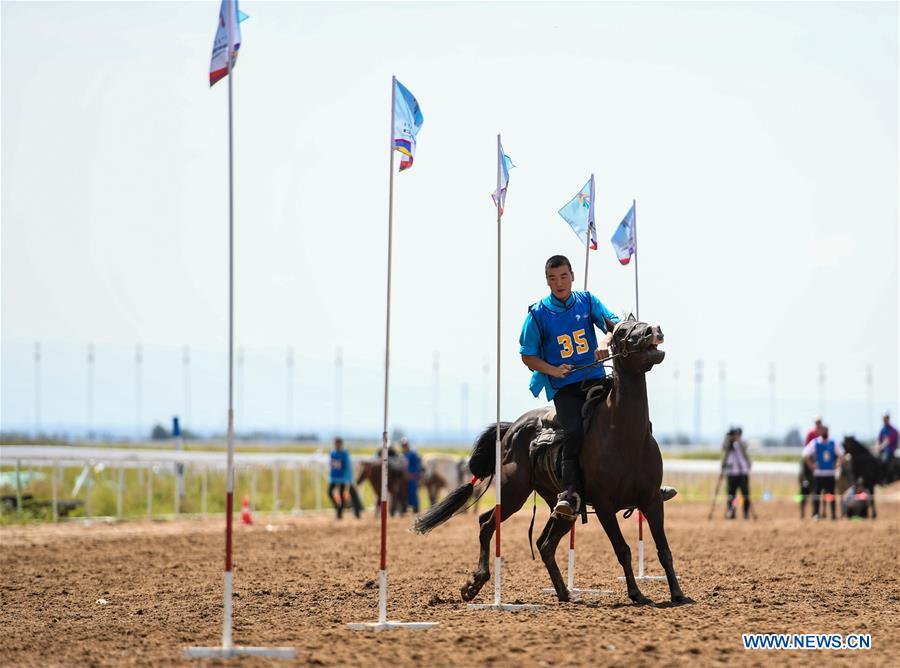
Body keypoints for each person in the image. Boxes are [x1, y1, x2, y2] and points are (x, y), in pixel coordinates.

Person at [519, 255, 619, 520]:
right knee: (574, 432)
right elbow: (527, 355)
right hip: (565, 388)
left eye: (563, 276)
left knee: (629, 412)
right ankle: (570, 493)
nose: (559, 283)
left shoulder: (588, 301)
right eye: (553, 278)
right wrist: (553, 370)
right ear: (547, 281)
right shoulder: (537, 314)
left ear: (572, 276)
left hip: (596, 378)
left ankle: (645, 478)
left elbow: (614, 324)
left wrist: (605, 342)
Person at [802, 426, 845, 520]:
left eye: (826, 430)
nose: (824, 432)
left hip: (830, 473)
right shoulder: (815, 442)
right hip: (819, 474)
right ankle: (816, 514)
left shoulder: (833, 442)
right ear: (820, 431)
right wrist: (811, 465)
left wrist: (837, 464)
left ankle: (833, 514)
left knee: (831, 494)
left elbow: (842, 454)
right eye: (823, 430)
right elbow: (805, 454)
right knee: (817, 495)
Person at [721, 427, 751, 519]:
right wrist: (728, 439)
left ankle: (746, 512)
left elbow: (744, 448)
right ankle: (731, 511)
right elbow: (724, 448)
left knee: (745, 494)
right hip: (731, 473)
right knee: (731, 495)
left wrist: (737, 441)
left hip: (742, 472)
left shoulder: (742, 443)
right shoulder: (729, 444)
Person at [328, 437, 361, 519]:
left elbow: (347, 467)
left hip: (344, 479)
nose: (337, 445)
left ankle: (341, 513)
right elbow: (333, 466)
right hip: (335, 478)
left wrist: (349, 479)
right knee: (330, 492)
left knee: (344, 495)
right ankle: (339, 508)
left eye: (339, 443)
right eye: (336, 443)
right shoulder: (333, 453)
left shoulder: (345, 454)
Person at [400, 437, 422, 514]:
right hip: (404, 477)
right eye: (403, 445)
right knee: (404, 493)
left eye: (405, 445)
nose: (404, 446)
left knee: (412, 492)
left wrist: (413, 475)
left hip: (412, 476)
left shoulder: (412, 454)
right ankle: (404, 508)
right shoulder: (402, 454)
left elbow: (416, 466)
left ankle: (415, 509)